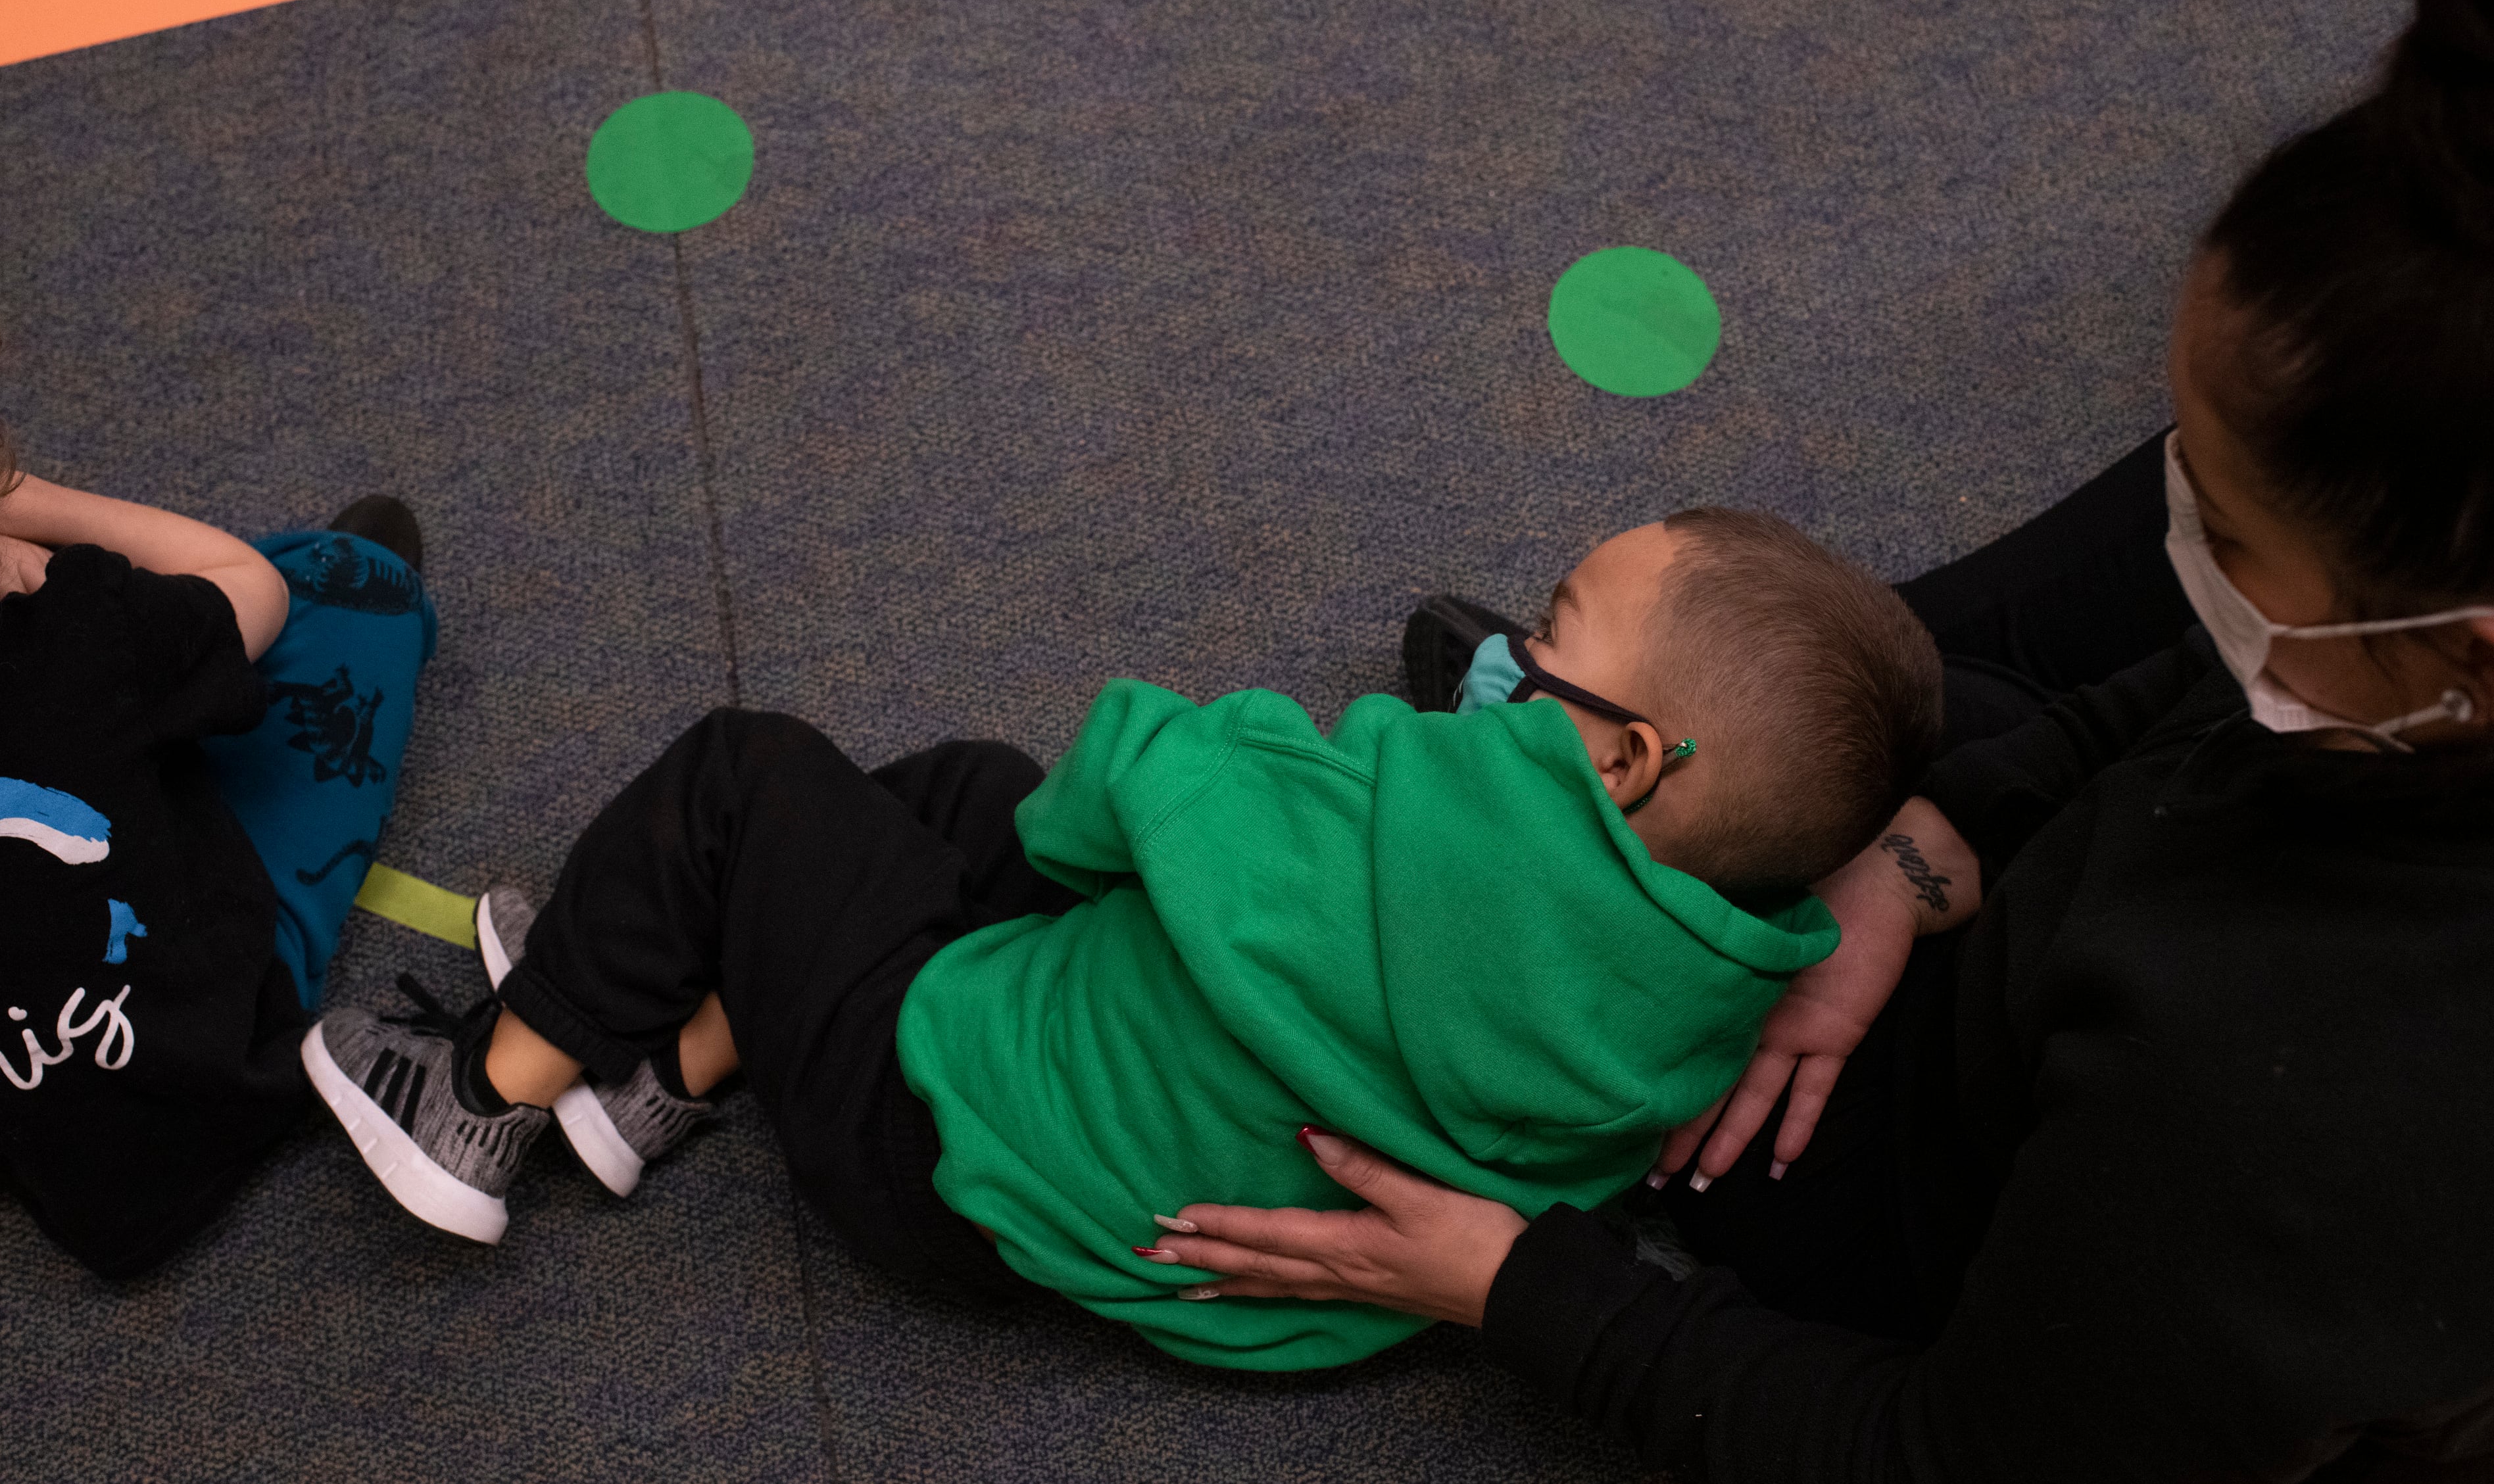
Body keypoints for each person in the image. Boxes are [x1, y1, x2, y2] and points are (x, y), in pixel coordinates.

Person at [1145, 0, 2494, 1484]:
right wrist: (1926, 847)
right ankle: (1668, 776)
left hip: (2099, 1404)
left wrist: (1513, 1285)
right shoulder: (2372, 684)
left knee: (1651, 1083)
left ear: (2457, 658)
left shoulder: (2312, 1141)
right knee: (1872, 741)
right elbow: (2178, 690)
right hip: (2106, 987)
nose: (2167, 551)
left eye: (2214, 524)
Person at [303, 508, 1940, 1368]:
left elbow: (1107, 792)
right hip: (1141, 1231)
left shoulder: (1392, 810)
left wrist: (1234, 784)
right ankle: (660, 1068)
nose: (1506, 648)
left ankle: (484, 1093)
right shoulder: (1713, 990)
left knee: (750, 774)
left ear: (1618, 756)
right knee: (959, 793)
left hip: (945, 1131)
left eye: (1552, 633)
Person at [0, 255, 437, 1279]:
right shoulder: (76, 628)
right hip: (208, 1054)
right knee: (345, 587)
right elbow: (244, 583)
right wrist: (8, 500)